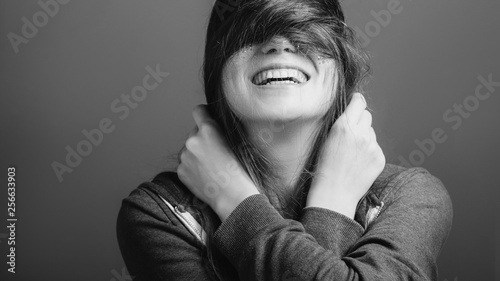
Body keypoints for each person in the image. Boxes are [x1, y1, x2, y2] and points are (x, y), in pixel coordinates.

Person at [116, 0, 453, 280]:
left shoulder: (410, 198)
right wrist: (329, 213)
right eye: (250, 32)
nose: (278, 44)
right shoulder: (161, 215)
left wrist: (235, 201)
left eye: (304, 31)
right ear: (217, 73)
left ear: (342, 70)